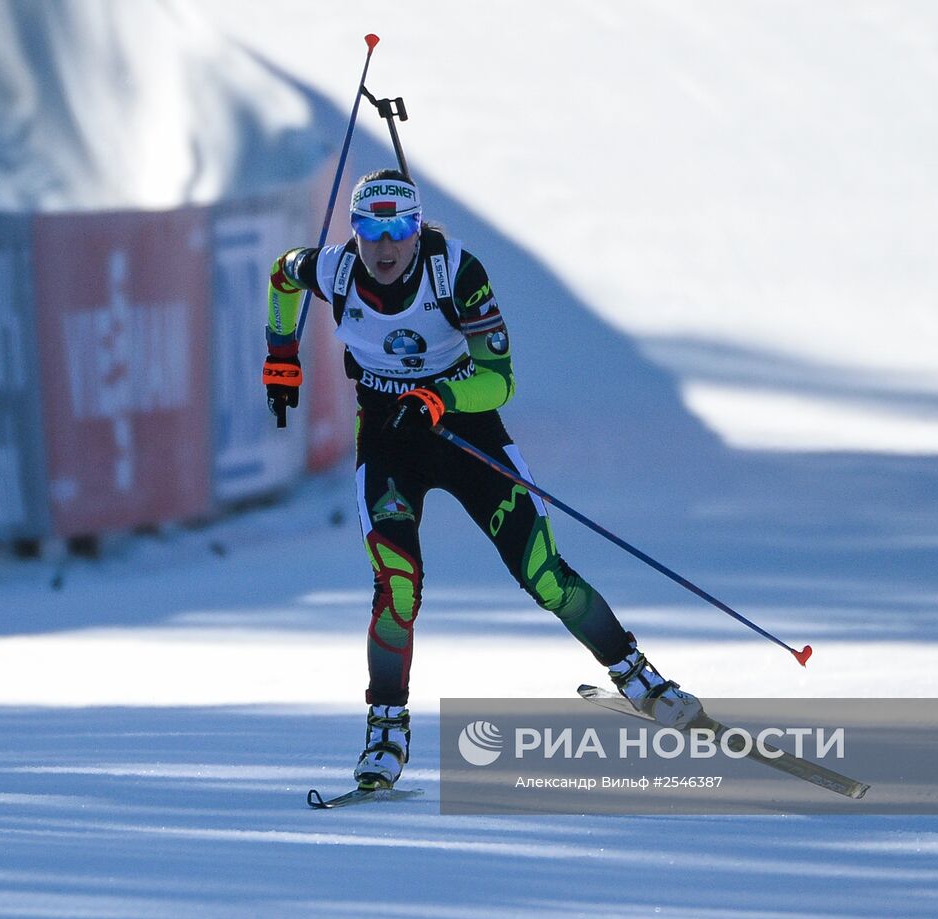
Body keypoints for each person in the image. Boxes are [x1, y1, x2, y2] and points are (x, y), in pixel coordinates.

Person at [262, 169, 700, 789]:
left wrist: (438, 397)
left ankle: (636, 675)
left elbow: (501, 379)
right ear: (353, 230)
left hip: (462, 428)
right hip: (389, 439)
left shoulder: (455, 273)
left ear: (418, 228)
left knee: (543, 574)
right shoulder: (334, 270)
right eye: (369, 229)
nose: (384, 248)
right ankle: (386, 728)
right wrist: (280, 356)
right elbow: (283, 273)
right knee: (398, 585)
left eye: (399, 229)